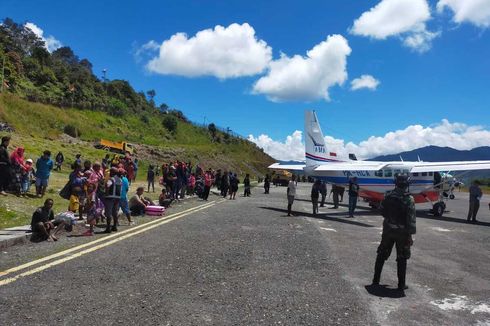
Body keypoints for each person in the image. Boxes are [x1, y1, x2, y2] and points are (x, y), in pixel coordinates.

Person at [372, 174, 416, 291]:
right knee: (402, 258)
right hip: (402, 233)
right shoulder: (409, 199)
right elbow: (411, 220)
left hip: (388, 230)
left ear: (396, 183)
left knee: (381, 254)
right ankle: (401, 285)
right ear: (406, 184)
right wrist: (410, 236)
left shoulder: (388, 195)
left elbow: (381, 210)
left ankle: (375, 280)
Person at [103, 167, 122, 233]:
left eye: (111, 172)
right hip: (117, 198)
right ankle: (114, 226)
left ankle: (108, 228)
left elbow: (108, 185)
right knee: (115, 213)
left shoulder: (111, 179)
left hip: (110, 198)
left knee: (108, 213)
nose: (110, 173)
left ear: (113, 172)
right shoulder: (120, 179)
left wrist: (106, 193)